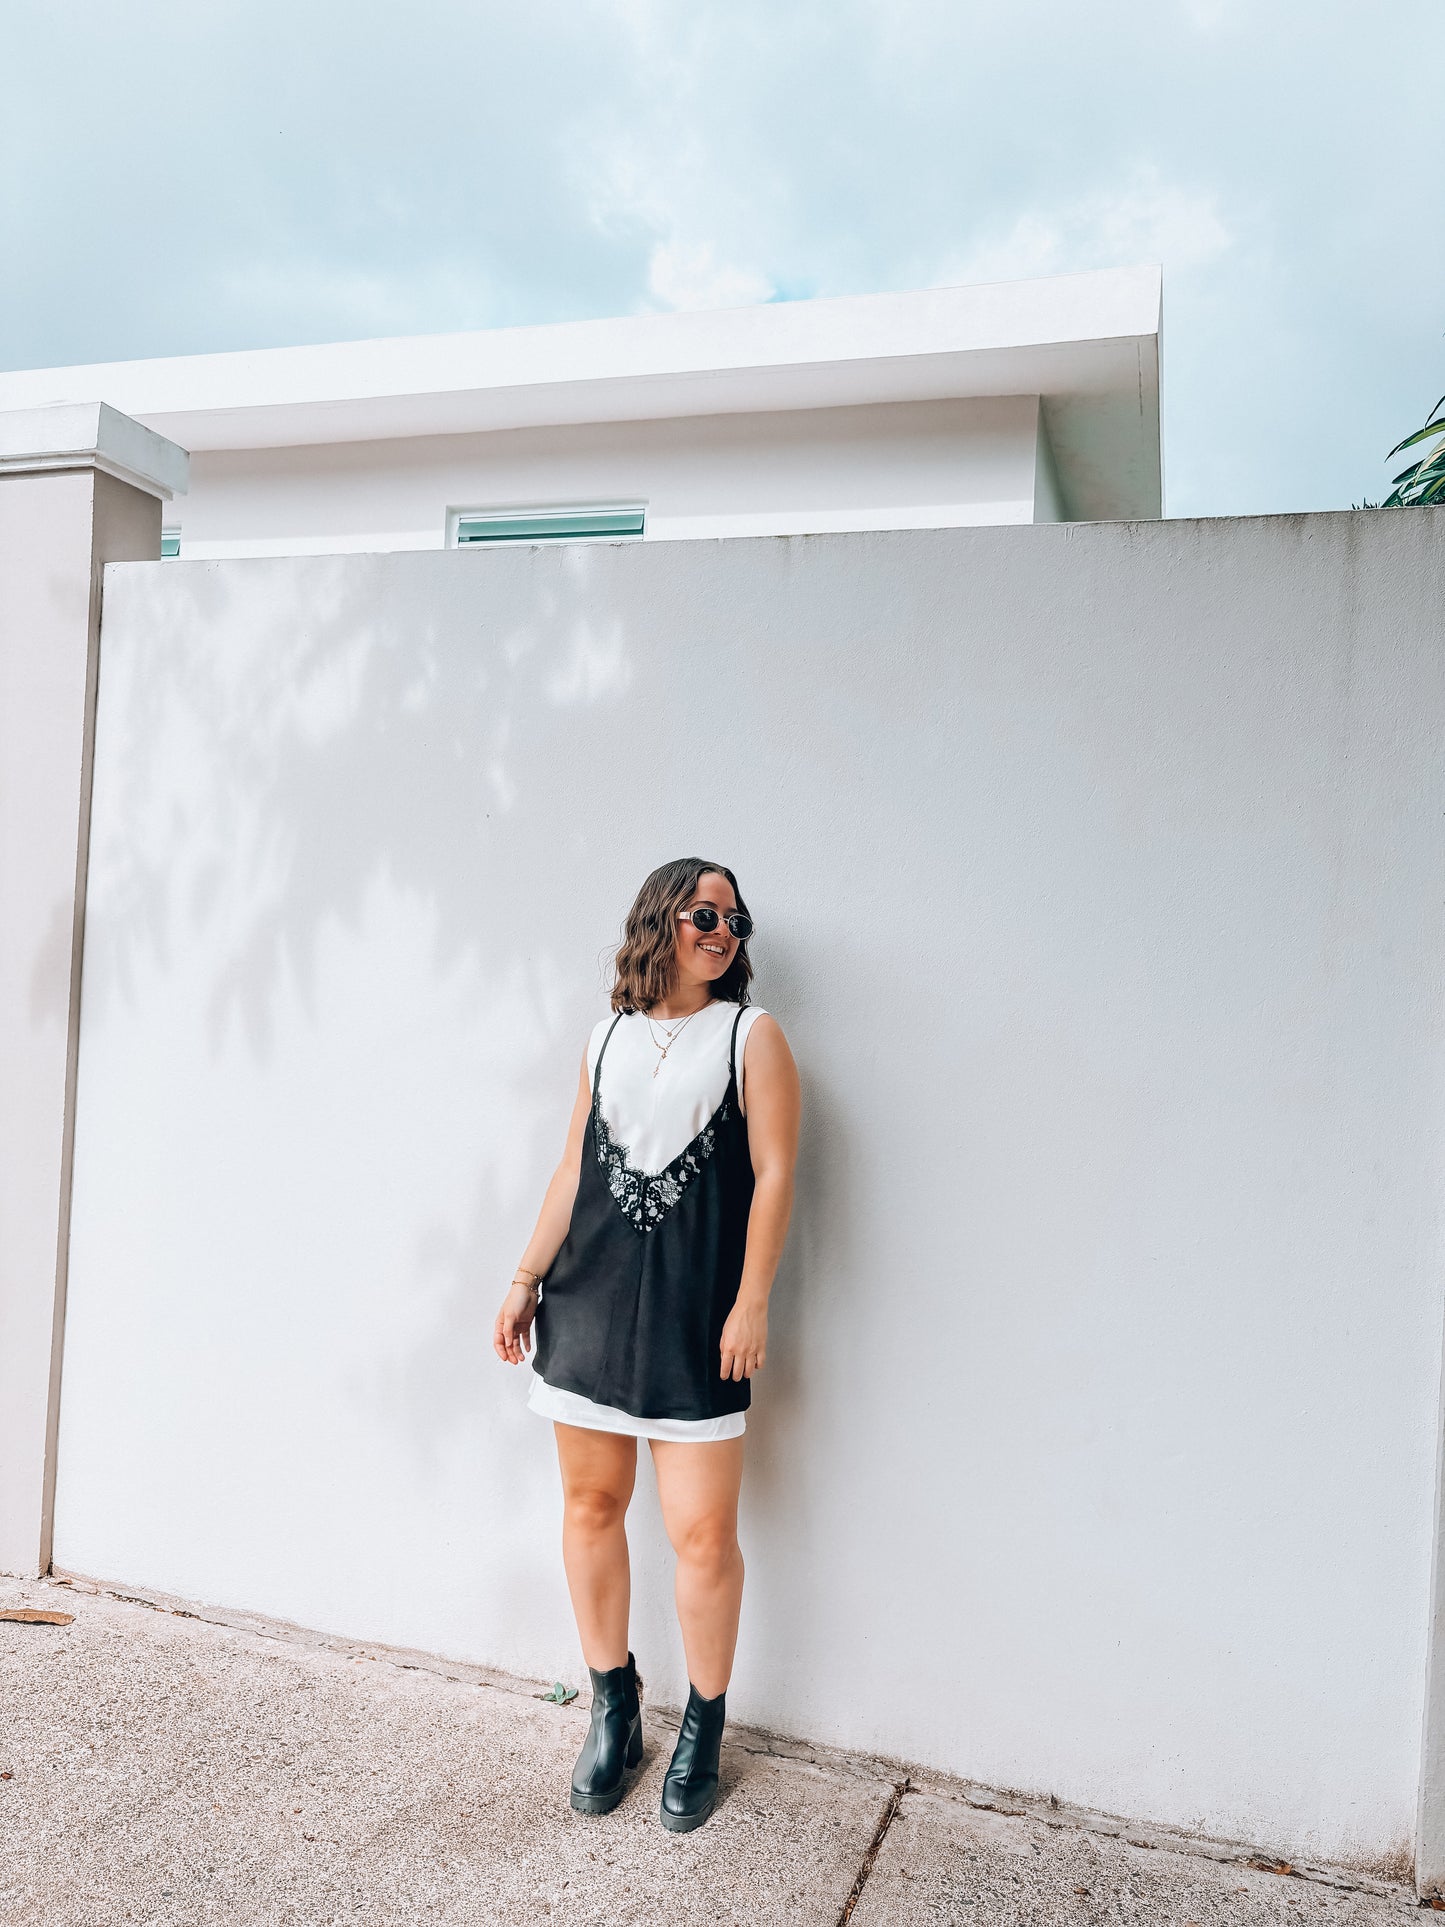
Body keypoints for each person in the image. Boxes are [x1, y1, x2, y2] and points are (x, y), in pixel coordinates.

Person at [493, 857, 801, 1832]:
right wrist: (523, 1278)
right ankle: (613, 1709)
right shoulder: (605, 1036)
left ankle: (701, 1729)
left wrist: (751, 1300)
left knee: (702, 1536)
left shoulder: (752, 1036)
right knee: (589, 1505)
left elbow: (776, 1172)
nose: (722, 929)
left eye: (735, 918)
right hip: (585, 1305)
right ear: (659, 917)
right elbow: (570, 1168)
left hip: (692, 1320)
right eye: (704, 911)